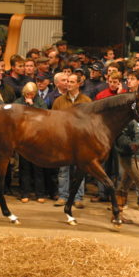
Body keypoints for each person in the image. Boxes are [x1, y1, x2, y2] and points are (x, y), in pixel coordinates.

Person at [52, 74, 92, 208]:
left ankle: (78, 197)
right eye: (67, 81)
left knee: (80, 170)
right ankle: (63, 196)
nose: (68, 84)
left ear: (79, 84)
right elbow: (54, 121)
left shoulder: (86, 101)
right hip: (63, 141)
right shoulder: (59, 101)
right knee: (63, 171)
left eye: (72, 82)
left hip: (81, 143)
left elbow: (90, 122)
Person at [14, 81, 50, 203]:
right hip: (23, 140)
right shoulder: (18, 102)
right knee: (24, 168)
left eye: (32, 94)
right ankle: (25, 193)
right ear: (24, 92)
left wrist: (32, 105)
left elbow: (45, 115)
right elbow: (15, 116)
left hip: (38, 140)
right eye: (28, 93)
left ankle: (40, 194)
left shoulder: (39, 101)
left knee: (38, 168)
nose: (30, 96)